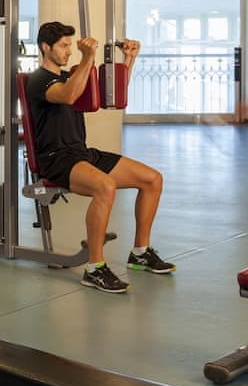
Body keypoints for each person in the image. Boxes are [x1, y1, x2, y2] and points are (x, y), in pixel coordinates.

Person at [26, 21, 175, 294]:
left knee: (152, 179)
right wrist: (88, 57)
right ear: (45, 47)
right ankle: (94, 268)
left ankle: (140, 253)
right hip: (56, 159)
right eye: (63, 46)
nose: (68, 51)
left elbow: (110, 96)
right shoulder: (38, 80)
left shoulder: (71, 75)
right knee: (105, 186)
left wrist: (129, 60)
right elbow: (69, 95)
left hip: (81, 153)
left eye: (70, 45)